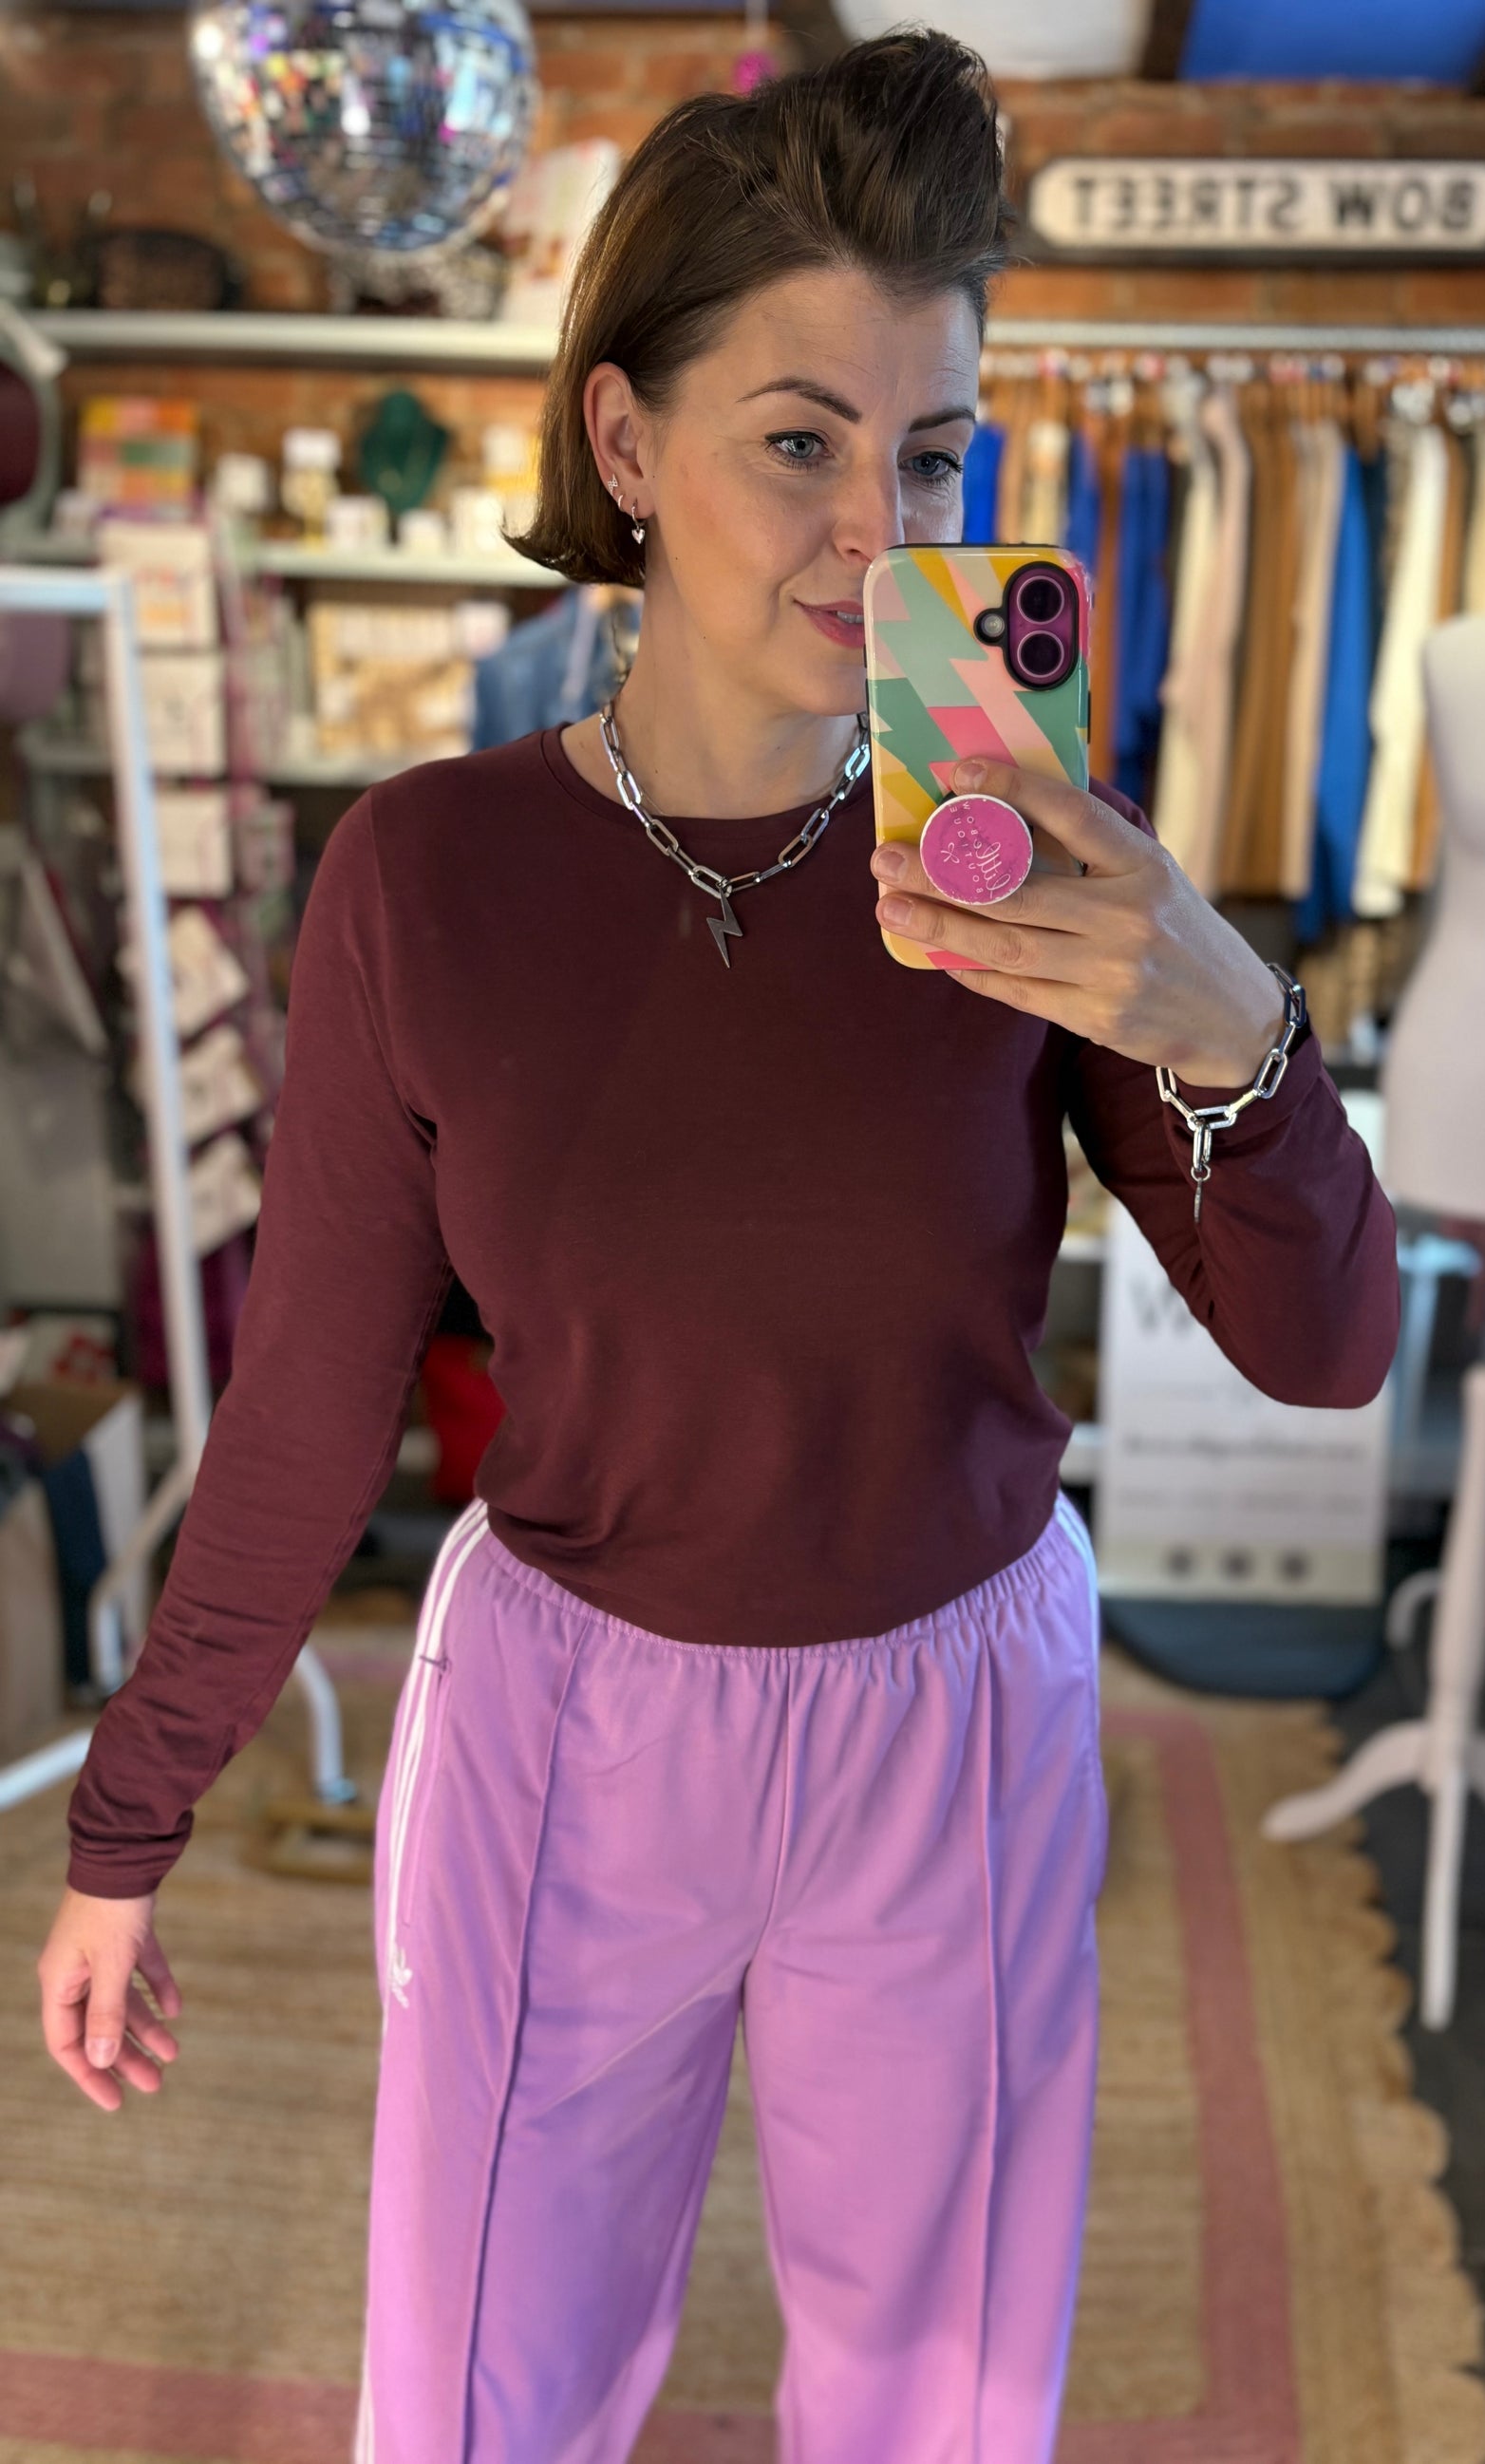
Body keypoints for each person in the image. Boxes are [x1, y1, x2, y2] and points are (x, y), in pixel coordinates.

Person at [36, 33, 1400, 2463]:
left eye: (936, 451)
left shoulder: (1039, 861)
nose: (880, 527)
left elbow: (1320, 1347)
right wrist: (129, 1825)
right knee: (482, 2382)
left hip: (958, 1707)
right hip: (574, 1717)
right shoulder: (429, 879)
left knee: (944, 2395)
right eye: (799, 440)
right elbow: (311, 1392)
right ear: (623, 444)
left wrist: (1235, 1025)